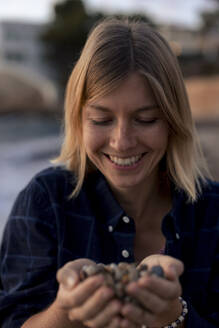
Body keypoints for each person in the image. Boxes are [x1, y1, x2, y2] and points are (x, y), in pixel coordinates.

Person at [0, 17, 218, 328]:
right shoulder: (45, 201)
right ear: (78, 121)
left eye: (145, 120)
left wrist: (174, 317)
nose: (122, 142)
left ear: (173, 120)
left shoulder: (213, 212)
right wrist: (65, 311)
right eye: (101, 120)